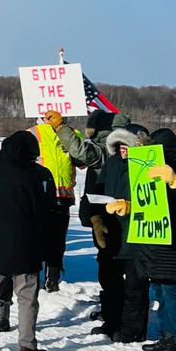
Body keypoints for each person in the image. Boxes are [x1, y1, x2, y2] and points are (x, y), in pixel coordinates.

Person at [109, 128, 176, 351]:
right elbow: (151, 202)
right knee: (163, 293)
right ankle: (167, 335)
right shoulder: (150, 169)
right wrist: (129, 206)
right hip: (160, 246)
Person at [0, 130, 61, 351]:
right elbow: (43, 211)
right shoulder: (33, 177)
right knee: (26, 298)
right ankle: (26, 345)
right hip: (25, 245)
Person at [46, 108, 133, 336]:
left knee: (111, 270)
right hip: (104, 217)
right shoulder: (114, 148)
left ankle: (116, 315)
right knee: (112, 269)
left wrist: (61, 128)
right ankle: (113, 310)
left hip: (109, 219)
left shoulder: (108, 148)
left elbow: (83, 152)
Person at [103, 124, 153, 343]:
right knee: (110, 284)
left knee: (135, 287)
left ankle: (133, 330)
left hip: (136, 234)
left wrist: (132, 206)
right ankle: (112, 322)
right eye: (120, 144)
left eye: (127, 144)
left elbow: (154, 201)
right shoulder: (111, 164)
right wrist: (94, 216)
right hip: (112, 233)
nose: (123, 148)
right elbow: (98, 190)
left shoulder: (146, 164)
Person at [33, 120, 76, 292]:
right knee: (36, 240)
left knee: (58, 242)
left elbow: (81, 159)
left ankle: (52, 280)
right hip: (39, 196)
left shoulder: (72, 133)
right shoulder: (33, 132)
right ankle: (32, 280)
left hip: (64, 196)